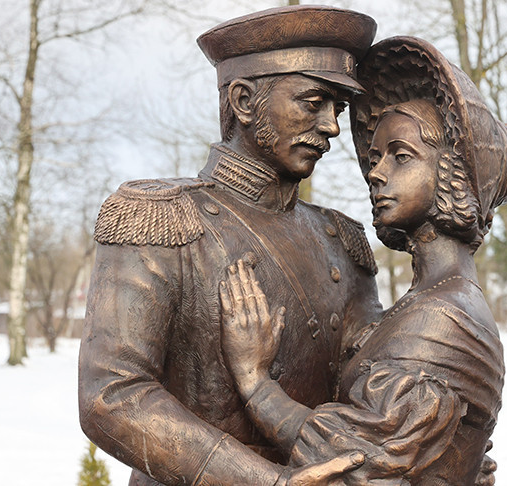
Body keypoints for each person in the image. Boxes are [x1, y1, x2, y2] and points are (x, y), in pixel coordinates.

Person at [78, 6, 384, 485]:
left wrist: (433, 450)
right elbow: (111, 396)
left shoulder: (341, 240)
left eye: (338, 109)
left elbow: (373, 388)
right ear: (243, 101)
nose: (331, 127)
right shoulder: (159, 217)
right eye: (313, 102)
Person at [218, 37, 507, 485]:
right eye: (375, 158)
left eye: (401, 157)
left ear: (453, 174)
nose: (378, 173)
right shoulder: (423, 302)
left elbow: (355, 462)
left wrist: (254, 382)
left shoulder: (446, 319)